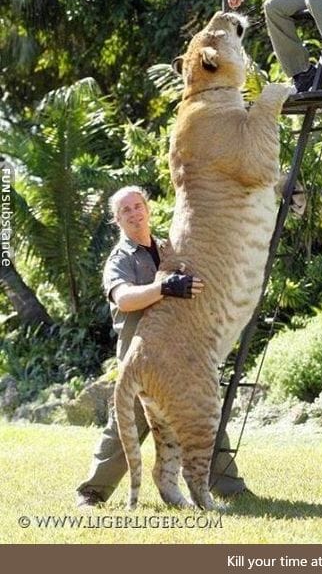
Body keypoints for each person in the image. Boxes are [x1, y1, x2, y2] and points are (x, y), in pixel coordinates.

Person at [76, 185, 247, 507]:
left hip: (181, 348)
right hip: (140, 352)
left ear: (148, 208)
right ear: (117, 219)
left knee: (202, 407)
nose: (134, 213)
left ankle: (230, 487)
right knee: (128, 422)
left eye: (137, 206)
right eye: (125, 210)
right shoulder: (120, 259)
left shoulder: (169, 247)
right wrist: (165, 287)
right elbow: (125, 299)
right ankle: (92, 492)